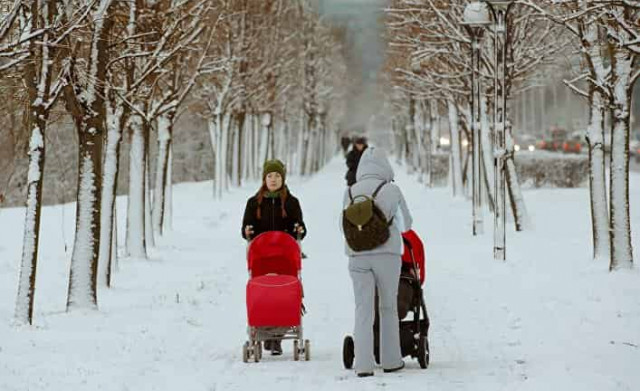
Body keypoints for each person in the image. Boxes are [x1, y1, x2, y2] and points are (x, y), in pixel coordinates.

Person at [343, 147, 413, 377]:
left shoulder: (350, 191)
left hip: (357, 256)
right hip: (387, 256)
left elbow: (342, 225)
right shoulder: (391, 189)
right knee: (387, 307)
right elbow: (406, 225)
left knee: (363, 309)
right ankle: (391, 360)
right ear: (385, 166)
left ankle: (363, 365)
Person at [241, 159, 307, 356]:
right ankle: (266, 333)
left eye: (277, 176)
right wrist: (247, 231)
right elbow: (244, 229)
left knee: (282, 295)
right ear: (264, 178)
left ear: (283, 178)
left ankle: (276, 337)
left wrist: (299, 230)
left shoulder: (291, 202)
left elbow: (302, 229)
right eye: (270, 176)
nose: (273, 179)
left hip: (285, 257)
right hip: (261, 258)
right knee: (265, 294)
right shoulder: (253, 203)